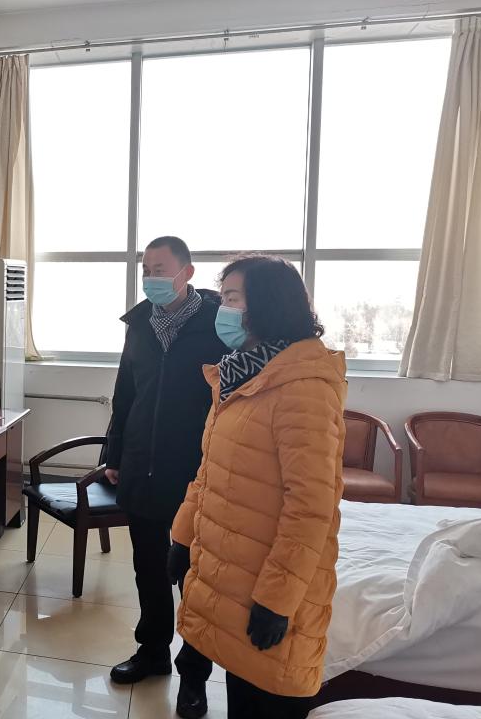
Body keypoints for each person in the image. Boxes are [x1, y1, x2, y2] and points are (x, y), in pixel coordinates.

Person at [169, 255, 346, 719]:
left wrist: (277, 599)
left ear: (267, 305)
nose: (221, 309)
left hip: (267, 585)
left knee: (265, 699)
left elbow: (311, 508)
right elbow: (210, 471)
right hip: (234, 573)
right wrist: (183, 536)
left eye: (231, 298)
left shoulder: (302, 388)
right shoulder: (241, 374)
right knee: (241, 691)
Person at [102, 236, 229, 708]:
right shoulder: (139, 325)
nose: (151, 277)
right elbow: (125, 393)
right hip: (142, 464)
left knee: (194, 575)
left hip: (196, 471)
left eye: (160, 269)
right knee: (149, 568)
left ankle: (194, 674)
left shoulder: (217, 326)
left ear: (186, 272)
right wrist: (115, 455)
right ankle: (153, 650)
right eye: (146, 270)